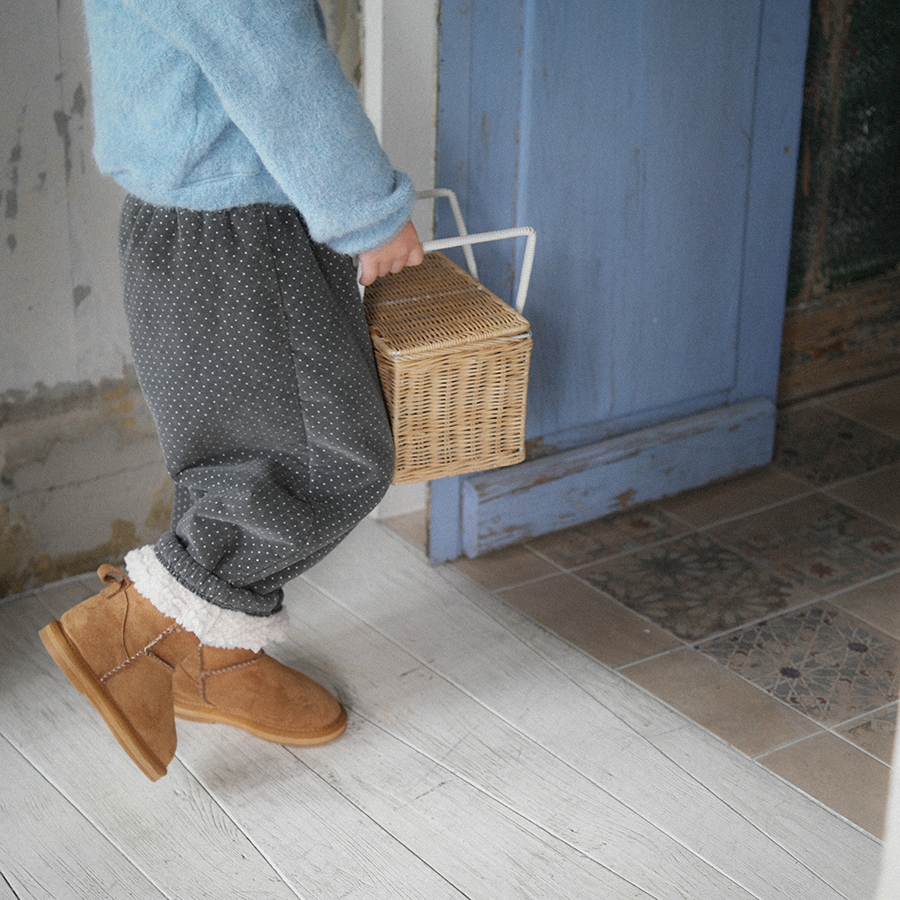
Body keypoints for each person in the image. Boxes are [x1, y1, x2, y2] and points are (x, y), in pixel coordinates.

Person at [38, 0, 423, 781]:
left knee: (236, 460)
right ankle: (134, 629)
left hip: (185, 212)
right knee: (329, 459)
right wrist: (368, 212)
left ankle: (209, 655)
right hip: (241, 225)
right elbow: (271, 59)